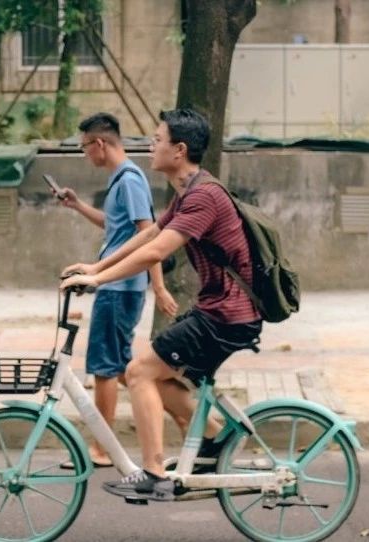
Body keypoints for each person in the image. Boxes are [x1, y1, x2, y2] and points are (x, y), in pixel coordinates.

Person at [60, 108, 263, 499]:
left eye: (157, 139)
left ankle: (154, 472)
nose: (150, 146)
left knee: (137, 372)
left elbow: (157, 249)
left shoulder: (203, 197)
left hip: (227, 315)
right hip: (219, 310)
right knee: (161, 377)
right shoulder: (190, 191)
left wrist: (99, 279)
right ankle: (216, 439)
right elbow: (151, 231)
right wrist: (96, 265)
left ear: (179, 149)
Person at [58, 112, 178, 468]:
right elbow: (117, 226)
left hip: (120, 287)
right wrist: (78, 205)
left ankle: (102, 448)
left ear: (100, 144)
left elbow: (150, 233)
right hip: (117, 284)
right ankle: (187, 414)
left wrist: (158, 285)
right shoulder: (122, 180)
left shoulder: (129, 180)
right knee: (126, 367)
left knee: (104, 367)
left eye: (84, 148)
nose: (85, 155)